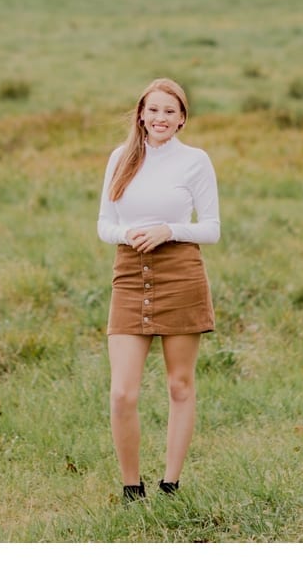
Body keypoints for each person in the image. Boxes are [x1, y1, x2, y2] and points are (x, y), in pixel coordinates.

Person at [97, 77, 220, 502]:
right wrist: (130, 234)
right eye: (153, 110)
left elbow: (212, 227)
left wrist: (169, 229)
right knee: (122, 391)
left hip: (181, 273)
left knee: (179, 385)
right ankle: (133, 488)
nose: (160, 118)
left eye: (169, 111)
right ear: (141, 114)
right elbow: (104, 224)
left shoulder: (195, 161)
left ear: (182, 118)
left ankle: (171, 485)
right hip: (131, 273)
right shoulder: (121, 158)